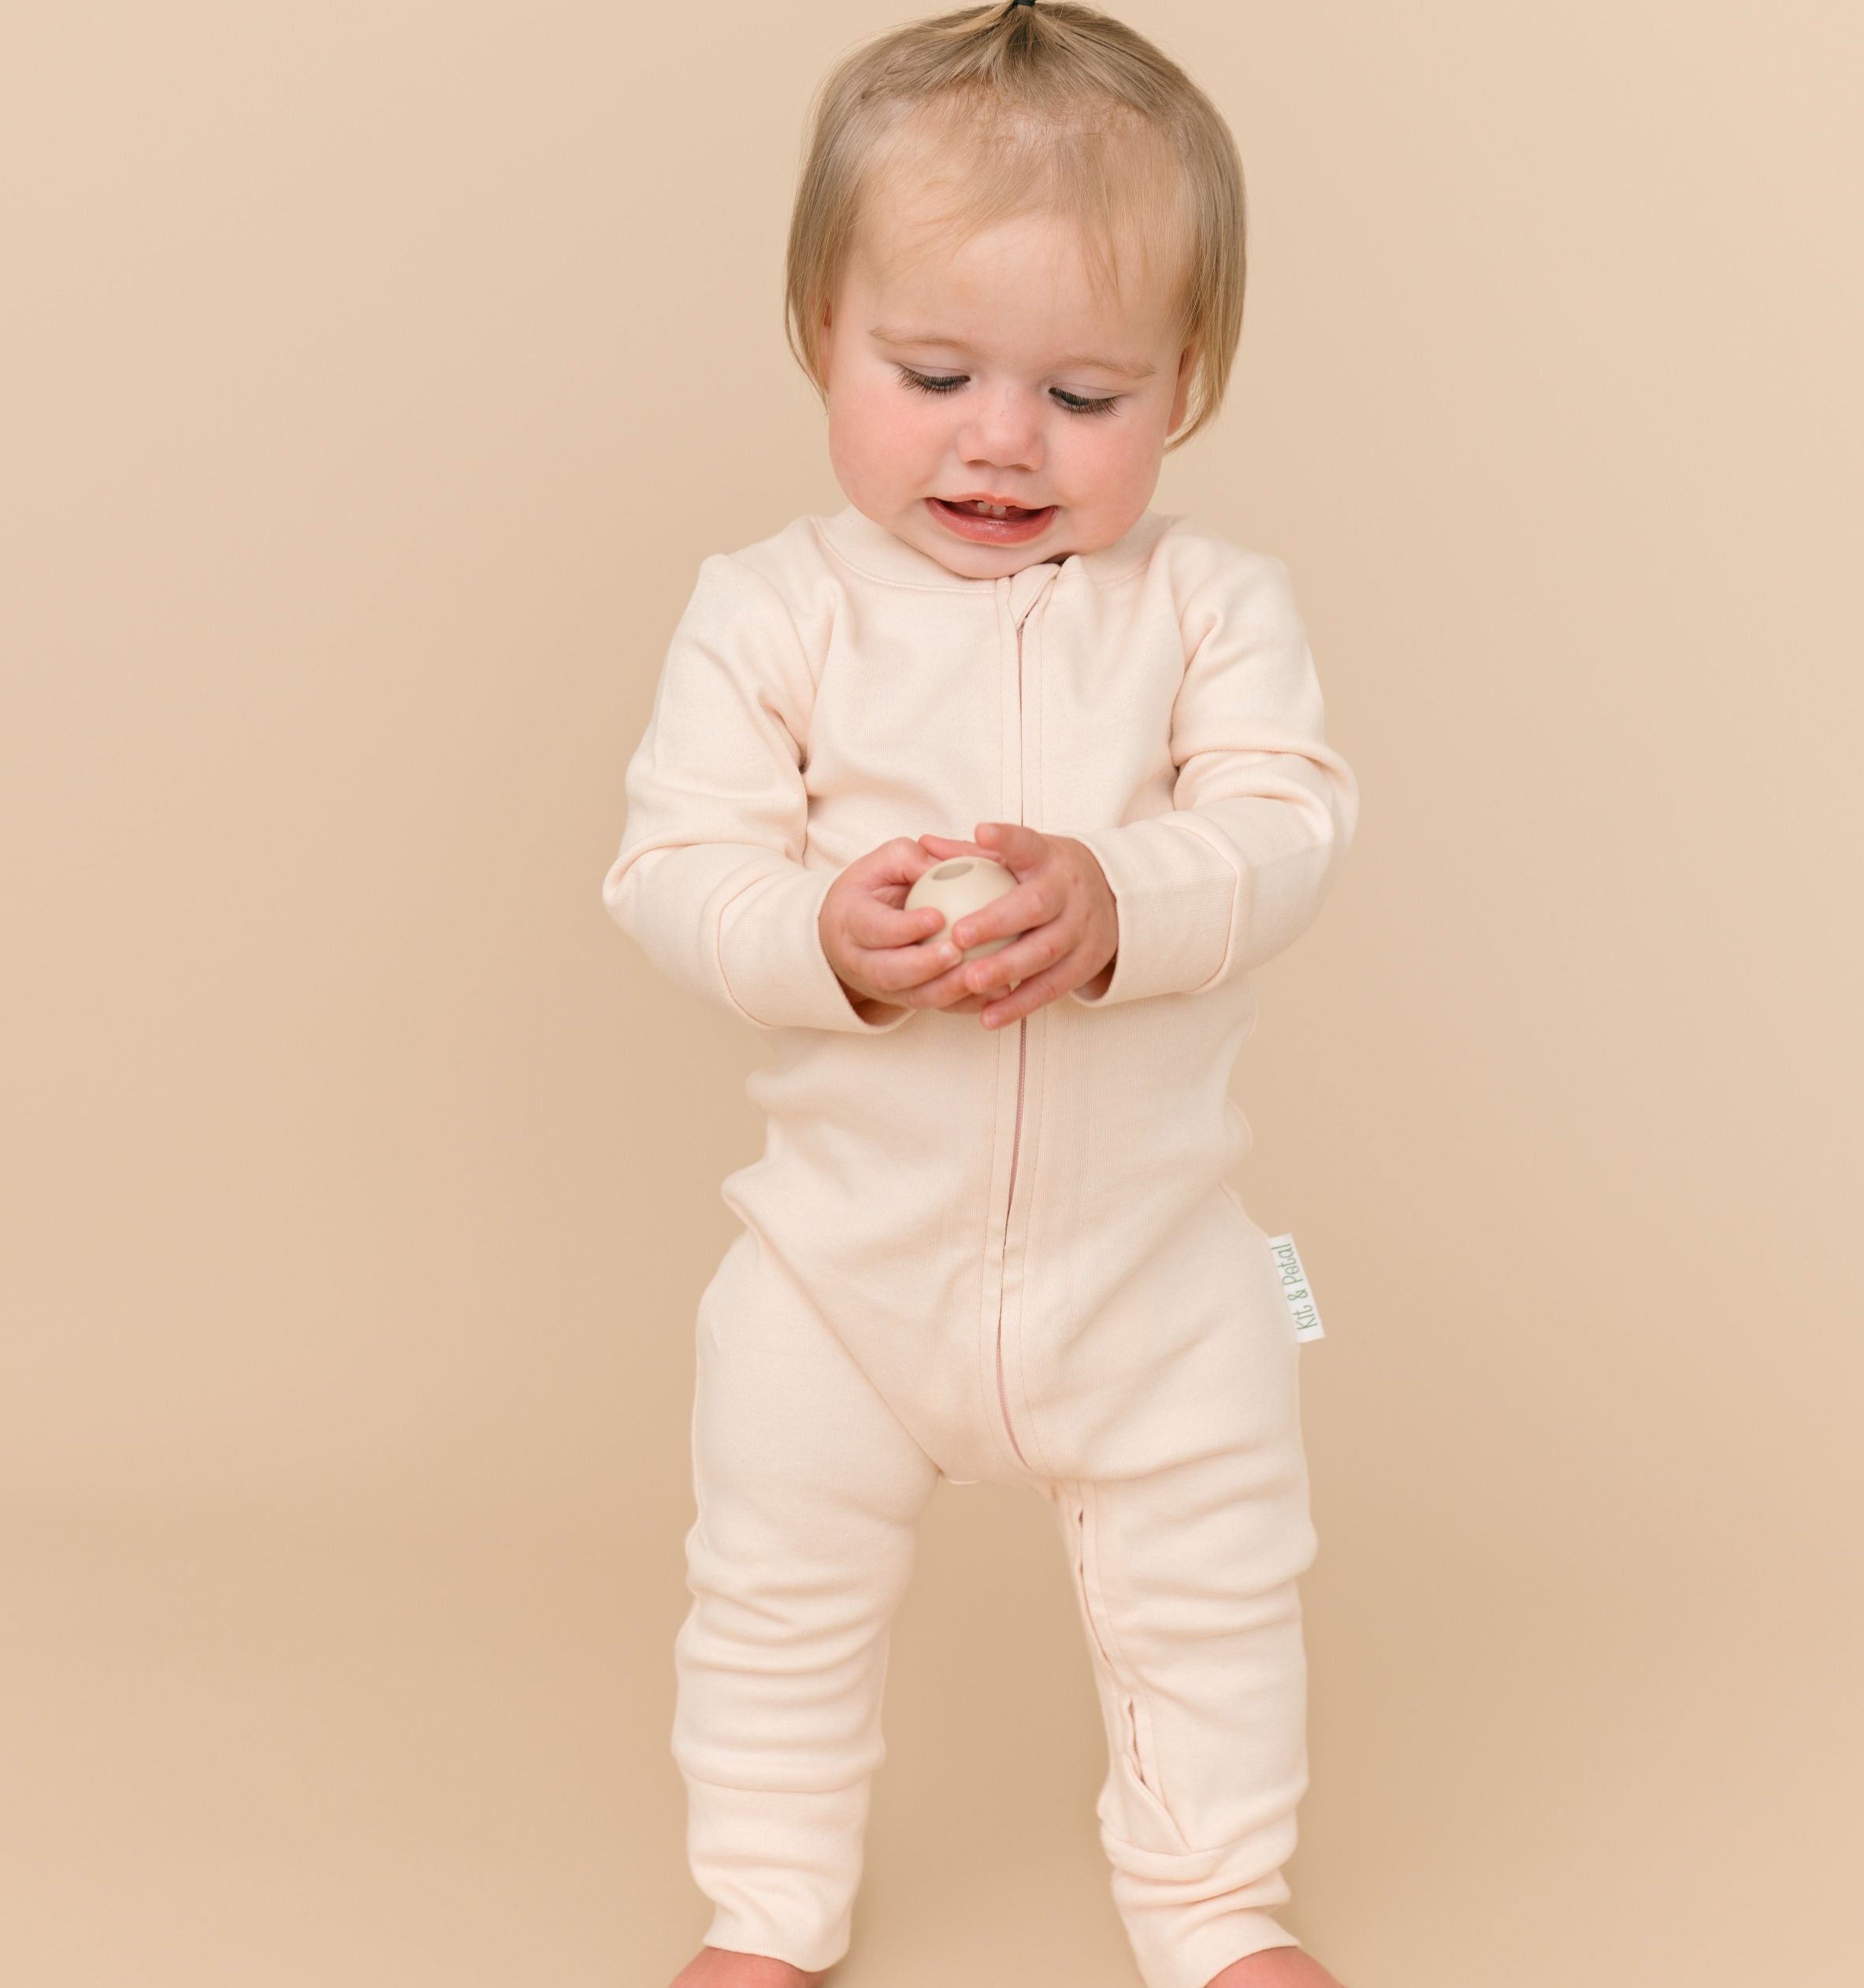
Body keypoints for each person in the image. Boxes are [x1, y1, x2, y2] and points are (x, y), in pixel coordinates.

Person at [602, 6, 1359, 1986]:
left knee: (1216, 1594)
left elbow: (1286, 826)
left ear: (1183, 382)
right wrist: (816, 941)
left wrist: (1118, 897)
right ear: (817, 337)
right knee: (771, 1589)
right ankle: (765, 1911)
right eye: (930, 371)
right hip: (839, 1266)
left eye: (1082, 392)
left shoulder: (1208, 609)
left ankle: (1215, 1912)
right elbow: (672, 865)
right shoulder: (768, 610)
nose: (999, 437)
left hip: (1160, 1261)